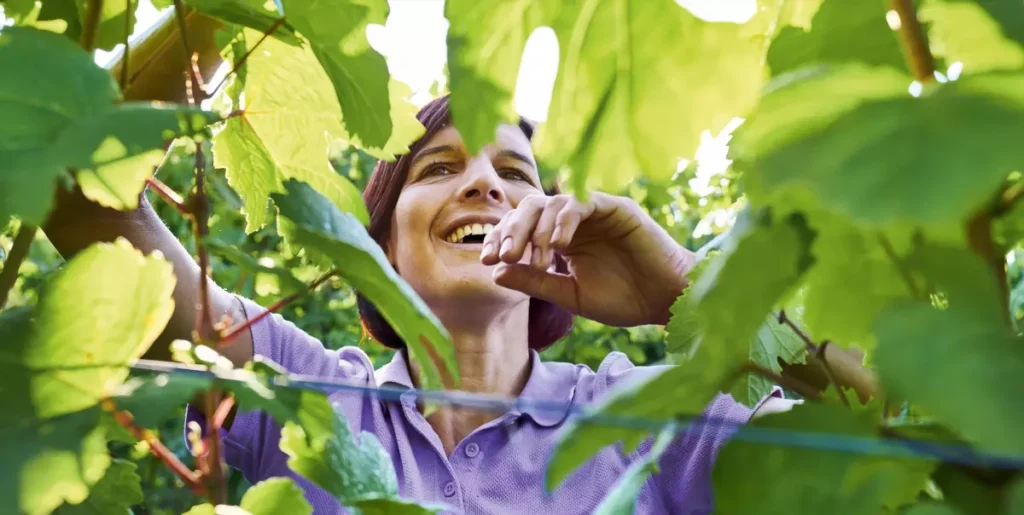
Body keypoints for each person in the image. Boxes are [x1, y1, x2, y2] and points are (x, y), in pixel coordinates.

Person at [44, 94, 794, 514]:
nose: (485, 186)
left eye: (516, 174)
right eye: (439, 167)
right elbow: (80, 199)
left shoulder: (653, 416)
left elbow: (898, 437)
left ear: (558, 239)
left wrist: (686, 290)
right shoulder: (318, 400)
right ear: (380, 246)